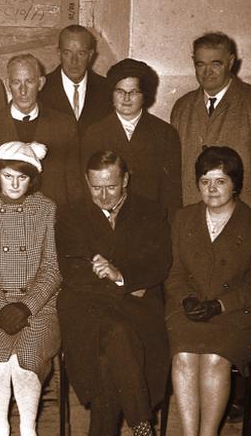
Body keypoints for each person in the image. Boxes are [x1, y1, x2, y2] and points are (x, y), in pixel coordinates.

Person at [57, 151, 171, 436]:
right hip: (87, 310)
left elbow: (157, 263)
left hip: (137, 311)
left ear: (126, 180)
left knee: (109, 361)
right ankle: (142, 424)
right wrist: (126, 284)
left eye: (111, 186)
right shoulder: (71, 214)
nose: (104, 195)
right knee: (117, 332)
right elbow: (72, 270)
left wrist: (119, 274)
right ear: (86, 181)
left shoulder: (151, 211)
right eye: (96, 188)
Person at [165, 146, 251, 436]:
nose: (212, 189)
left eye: (220, 181)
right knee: (184, 357)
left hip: (237, 314)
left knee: (214, 359)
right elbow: (173, 273)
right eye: (205, 181)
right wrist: (187, 299)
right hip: (188, 308)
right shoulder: (182, 219)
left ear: (235, 184)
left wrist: (219, 306)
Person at [0, 141, 62, 436]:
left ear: (32, 178)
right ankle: (0, 428)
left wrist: (27, 306)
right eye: (8, 176)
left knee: (27, 360)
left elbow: (52, 268)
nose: (14, 184)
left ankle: (28, 428)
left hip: (37, 306)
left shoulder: (46, 209)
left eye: (22, 177)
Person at [171, 32, 251, 216]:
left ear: (231, 62)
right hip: (194, 223)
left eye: (216, 64)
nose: (207, 72)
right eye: (200, 64)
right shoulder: (182, 107)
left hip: (243, 224)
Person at [80, 58, 182, 217]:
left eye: (134, 92)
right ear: (111, 94)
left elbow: (171, 194)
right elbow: (87, 189)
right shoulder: (94, 133)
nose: (126, 98)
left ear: (145, 95)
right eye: (120, 91)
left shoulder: (165, 133)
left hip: (150, 223)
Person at [0, 54, 79, 204]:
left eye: (29, 81)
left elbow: (74, 185)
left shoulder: (64, 125)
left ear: (41, 83)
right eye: (16, 82)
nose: (23, 91)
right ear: (8, 84)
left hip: (54, 221)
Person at [39, 25, 111, 135]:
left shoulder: (107, 90)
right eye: (67, 53)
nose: (74, 61)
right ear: (59, 53)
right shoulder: (40, 90)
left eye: (81, 53)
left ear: (90, 55)